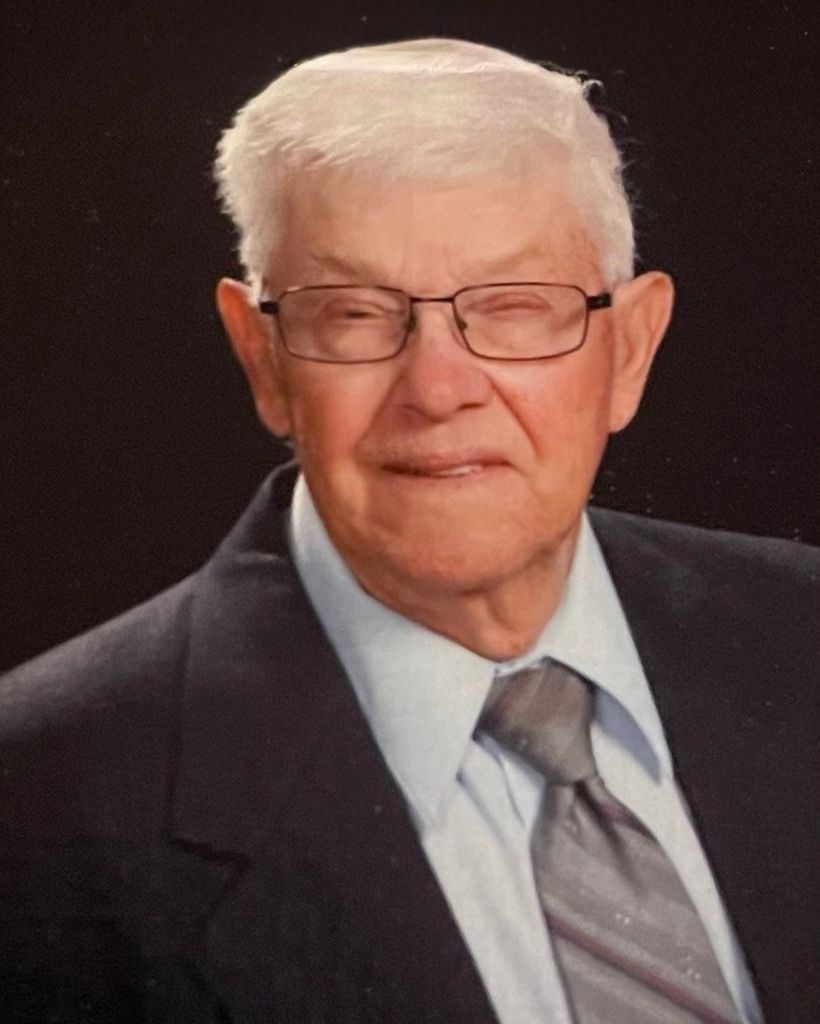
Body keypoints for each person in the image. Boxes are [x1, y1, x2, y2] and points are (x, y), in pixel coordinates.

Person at [0, 38, 816, 1024]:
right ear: (262, 357)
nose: (436, 388)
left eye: (514, 308)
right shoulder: (39, 800)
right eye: (353, 313)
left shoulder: (799, 633)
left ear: (631, 349)